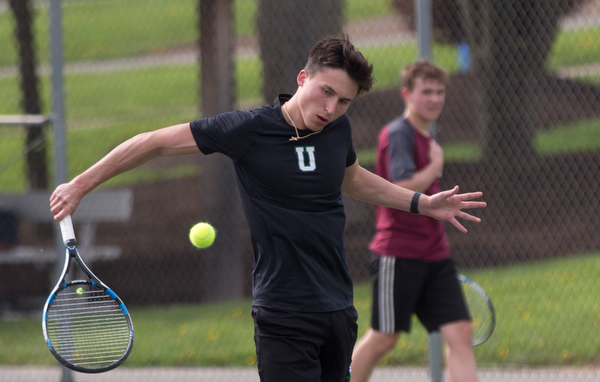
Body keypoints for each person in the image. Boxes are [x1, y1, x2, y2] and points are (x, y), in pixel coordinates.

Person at [49, 37, 485, 382]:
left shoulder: (337, 130)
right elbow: (154, 142)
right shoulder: (249, 129)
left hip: (338, 309)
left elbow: (352, 180)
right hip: (284, 313)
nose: (331, 108)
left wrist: (420, 203)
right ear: (302, 78)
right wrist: (81, 184)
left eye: (344, 101)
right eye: (325, 92)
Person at [350, 60, 480, 382]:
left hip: (436, 254)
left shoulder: (428, 138)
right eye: (426, 92)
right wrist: (435, 166)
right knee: (384, 338)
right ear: (407, 94)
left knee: (460, 333)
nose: (435, 99)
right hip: (398, 253)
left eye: (440, 92)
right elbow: (401, 186)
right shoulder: (398, 134)